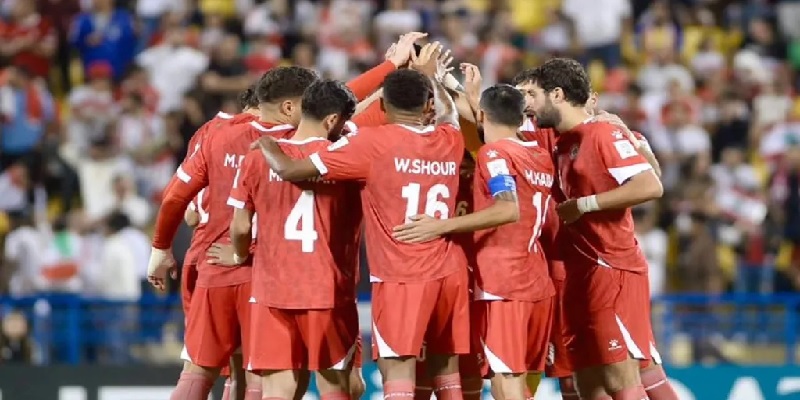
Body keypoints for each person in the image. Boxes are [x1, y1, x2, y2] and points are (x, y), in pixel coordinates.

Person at [252, 43, 470, 400]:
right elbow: (449, 115)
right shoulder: (449, 139)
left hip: (401, 274)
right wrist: (433, 78)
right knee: (447, 370)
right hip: (449, 271)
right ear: (428, 105)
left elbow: (293, 167)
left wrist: (266, 143)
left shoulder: (370, 143)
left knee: (397, 370)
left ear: (384, 106)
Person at [147, 67, 312, 400]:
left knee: (198, 371)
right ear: (290, 106)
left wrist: (160, 248)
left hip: (211, 263)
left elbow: (178, 199)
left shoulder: (215, 133)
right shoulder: (304, 141)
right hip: (268, 271)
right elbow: (350, 104)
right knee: (261, 375)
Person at [514, 71, 673, 400]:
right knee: (588, 382)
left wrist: (585, 204)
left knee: (628, 375)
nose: (526, 103)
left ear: (558, 95)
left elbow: (651, 182)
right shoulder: (561, 141)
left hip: (609, 267)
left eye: (531, 94)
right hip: (578, 269)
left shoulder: (602, 131)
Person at [392, 83, 555, 400]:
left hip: (505, 283)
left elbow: (507, 209)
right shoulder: (540, 155)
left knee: (506, 382)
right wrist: (457, 88)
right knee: (520, 382)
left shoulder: (494, 154)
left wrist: (441, 226)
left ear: (481, 115)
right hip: (538, 281)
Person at [226, 79, 361, 400]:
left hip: (271, 290)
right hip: (326, 290)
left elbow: (240, 227)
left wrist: (240, 256)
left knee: (277, 389)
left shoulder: (256, 156)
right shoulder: (346, 158)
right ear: (333, 120)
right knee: (334, 385)